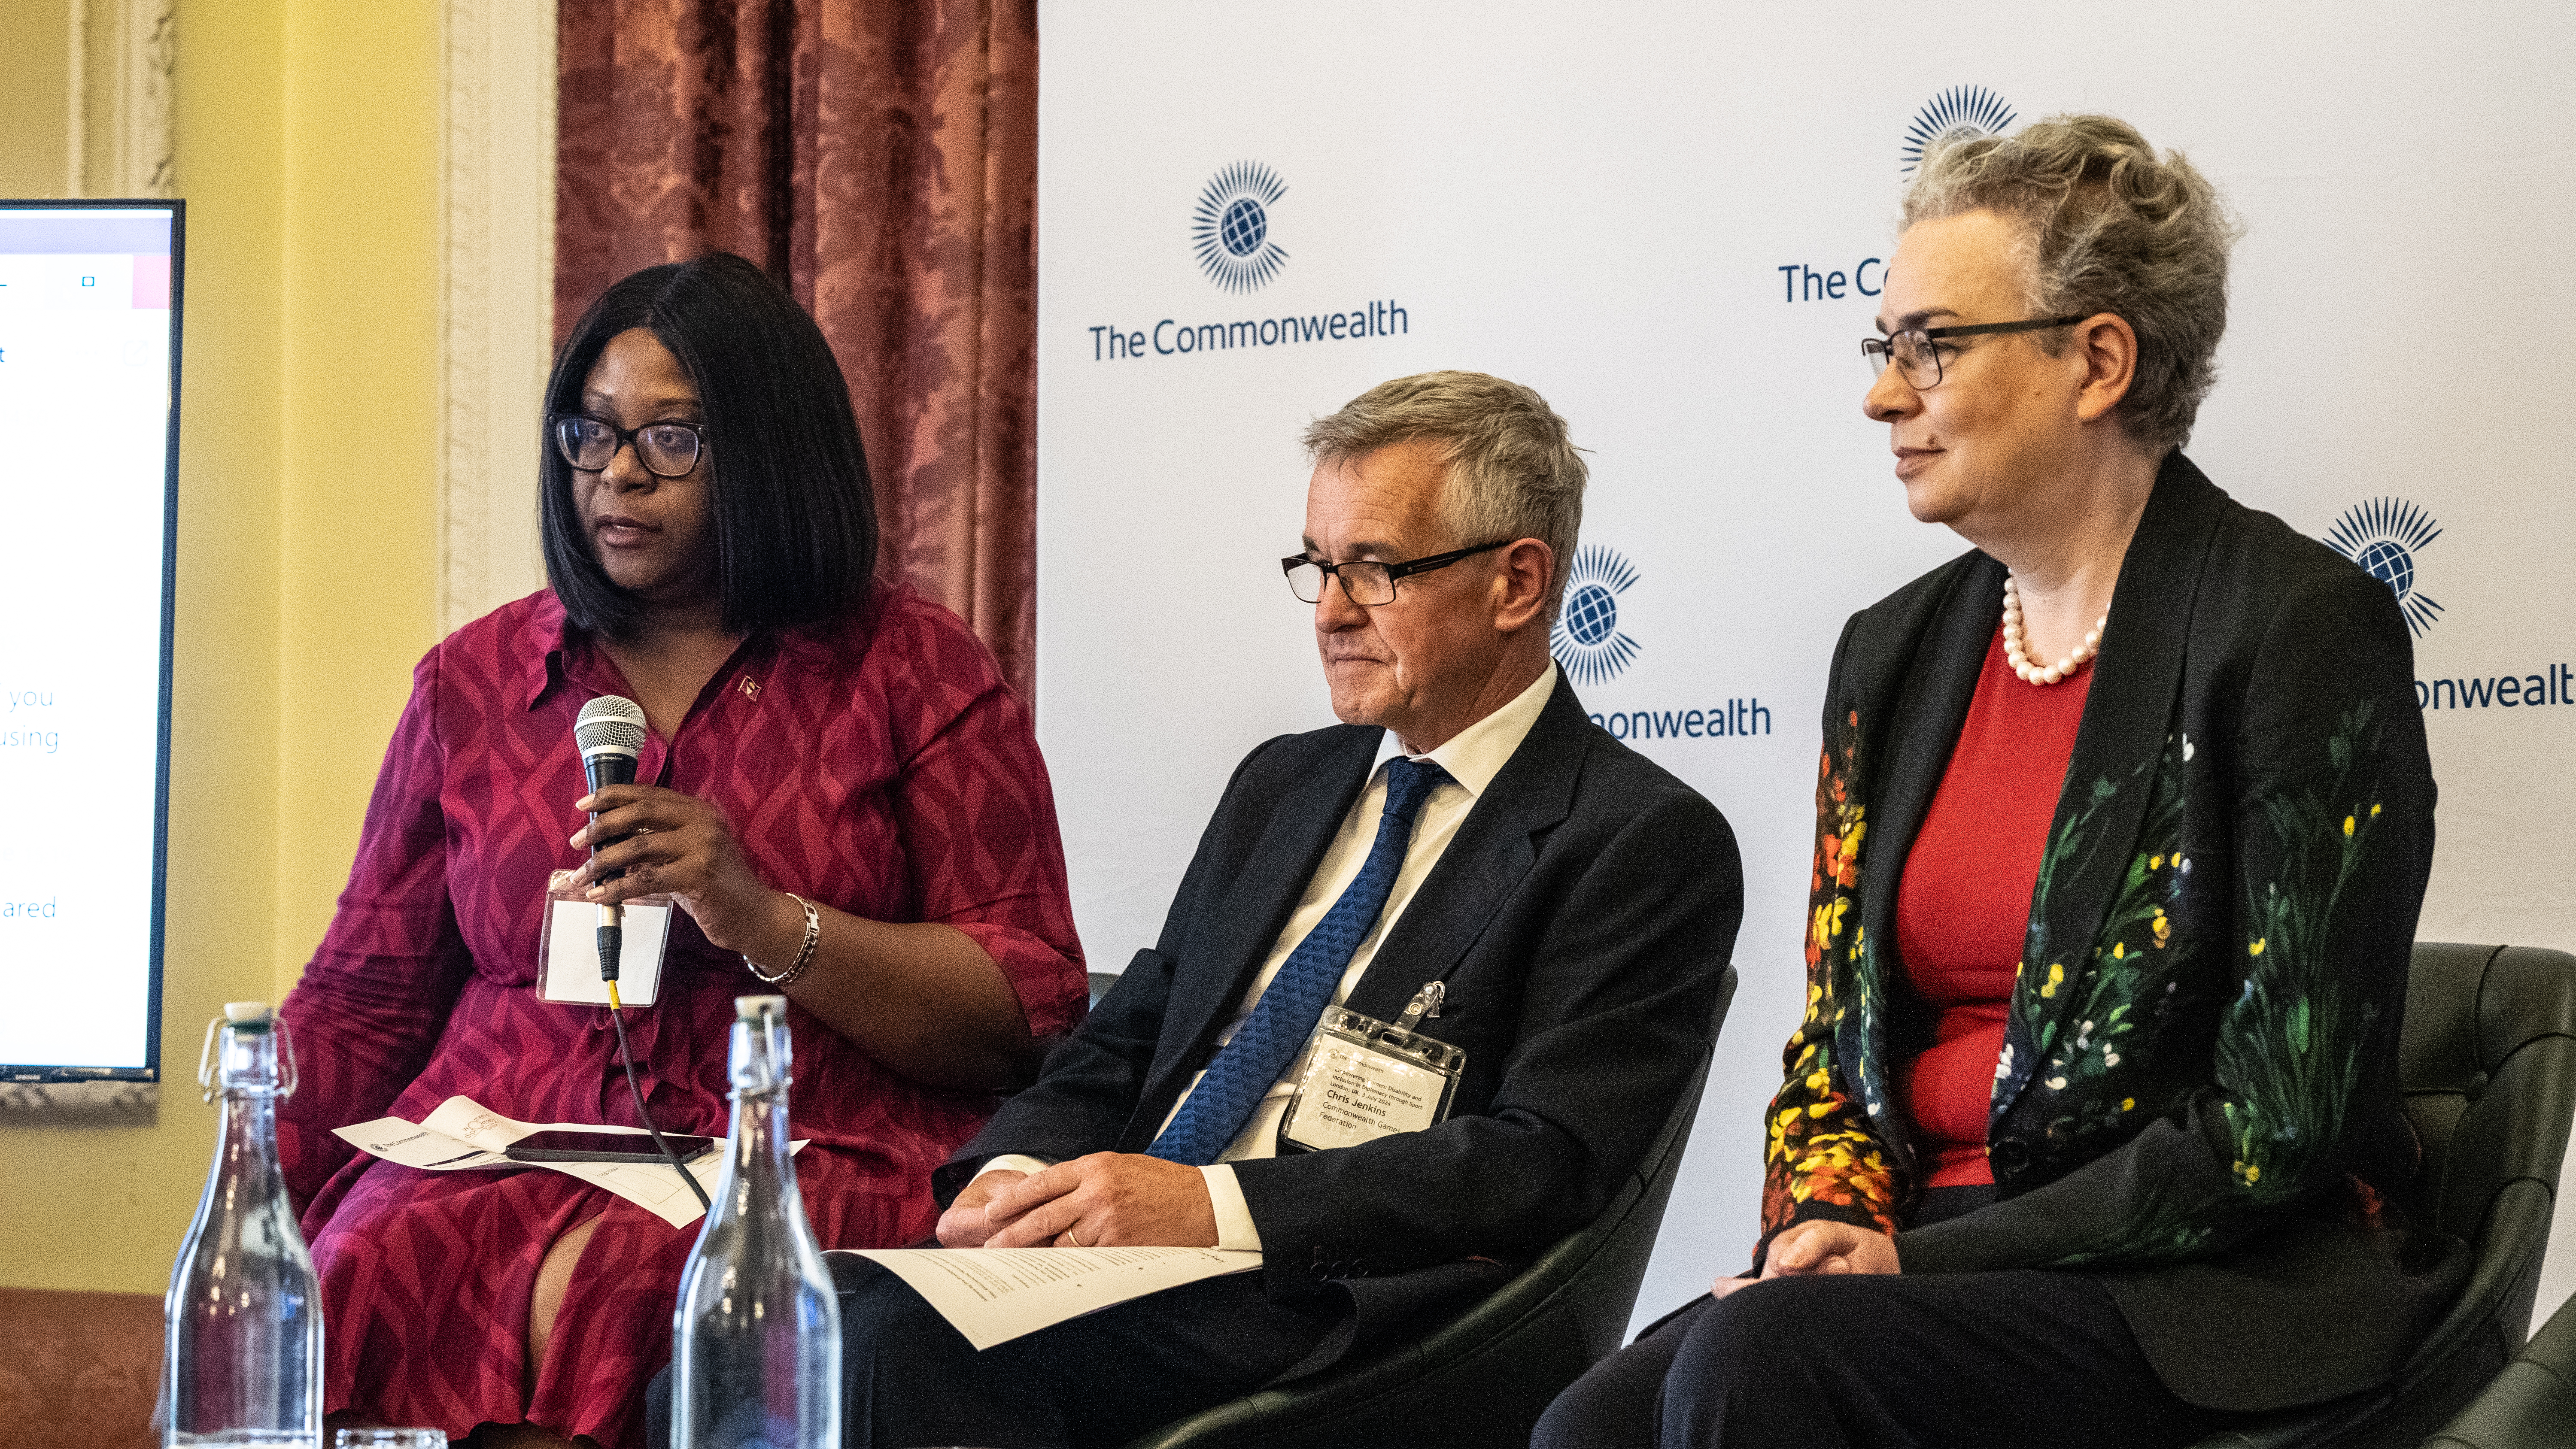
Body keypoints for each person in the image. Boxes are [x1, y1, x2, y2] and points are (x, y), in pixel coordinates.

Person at [1537, 115, 2468, 1449]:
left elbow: (2283, 1123)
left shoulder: (2293, 630)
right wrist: (1830, 1215)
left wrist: (1912, 1265)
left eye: (1933, 346)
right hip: (1916, 1254)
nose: (1883, 395)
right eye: (1883, 347)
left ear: (2098, 361)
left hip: (2201, 1282)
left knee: (1759, 1366)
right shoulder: (1892, 654)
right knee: (1590, 1427)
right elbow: (1836, 1045)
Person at [714, 370, 1743, 1449]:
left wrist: (1208, 1207)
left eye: (1376, 570)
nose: (1331, 611)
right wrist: (1012, 1177)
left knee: (887, 1348)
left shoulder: (1636, 838)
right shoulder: (1284, 784)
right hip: (1120, 1268)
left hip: (1335, 1302)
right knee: (764, 1335)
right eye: (1318, 567)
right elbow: (1130, 1036)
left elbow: (1538, 1161)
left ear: (1517, 583)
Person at [273, 252, 1089, 1449]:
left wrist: (760, 916)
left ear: (769, 451)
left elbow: (1025, 1009)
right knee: (365, 1262)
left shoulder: (912, 669)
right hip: (500, 1137)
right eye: (590, 434)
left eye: (671, 440)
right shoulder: (473, 683)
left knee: (625, 1281)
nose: (617, 474)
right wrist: (250, 1191)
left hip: (805, 1140)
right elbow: (364, 1001)